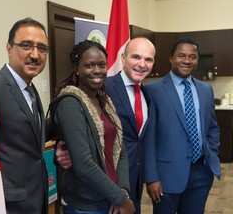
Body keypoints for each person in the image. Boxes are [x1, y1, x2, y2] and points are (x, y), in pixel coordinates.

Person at [0, 17, 67, 214]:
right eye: (26, 46)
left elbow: (29, 134)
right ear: (9, 48)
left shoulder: (29, 89)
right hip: (10, 204)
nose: (35, 54)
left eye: (42, 48)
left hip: (36, 197)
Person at [49, 40, 135, 214]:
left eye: (102, 65)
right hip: (86, 205)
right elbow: (83, 164)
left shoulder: (104, 101)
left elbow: (120, 148)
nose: (97, 71)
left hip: (111, 198)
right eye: (89, 65)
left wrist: (122, 191)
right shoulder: (70, 104)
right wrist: (119, 199)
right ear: (76, 69)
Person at [144, 37, 221, 214]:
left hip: (201, 173)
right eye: (181, 56)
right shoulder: (152, 91)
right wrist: (152, 177)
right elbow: (149, 139)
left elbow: (212, 128)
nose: (187, 61)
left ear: (197, 60)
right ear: (171, 58)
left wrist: (212, 154)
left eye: (192, 57)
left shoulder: (205, 89)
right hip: (166, 176)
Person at [105, 37, 156, 213]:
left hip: (136, 179)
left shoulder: (147, 94)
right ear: (123, 58)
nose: (142, 64)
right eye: (136, 57)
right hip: (110, 182)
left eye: (148, 59)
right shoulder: (104, 87)